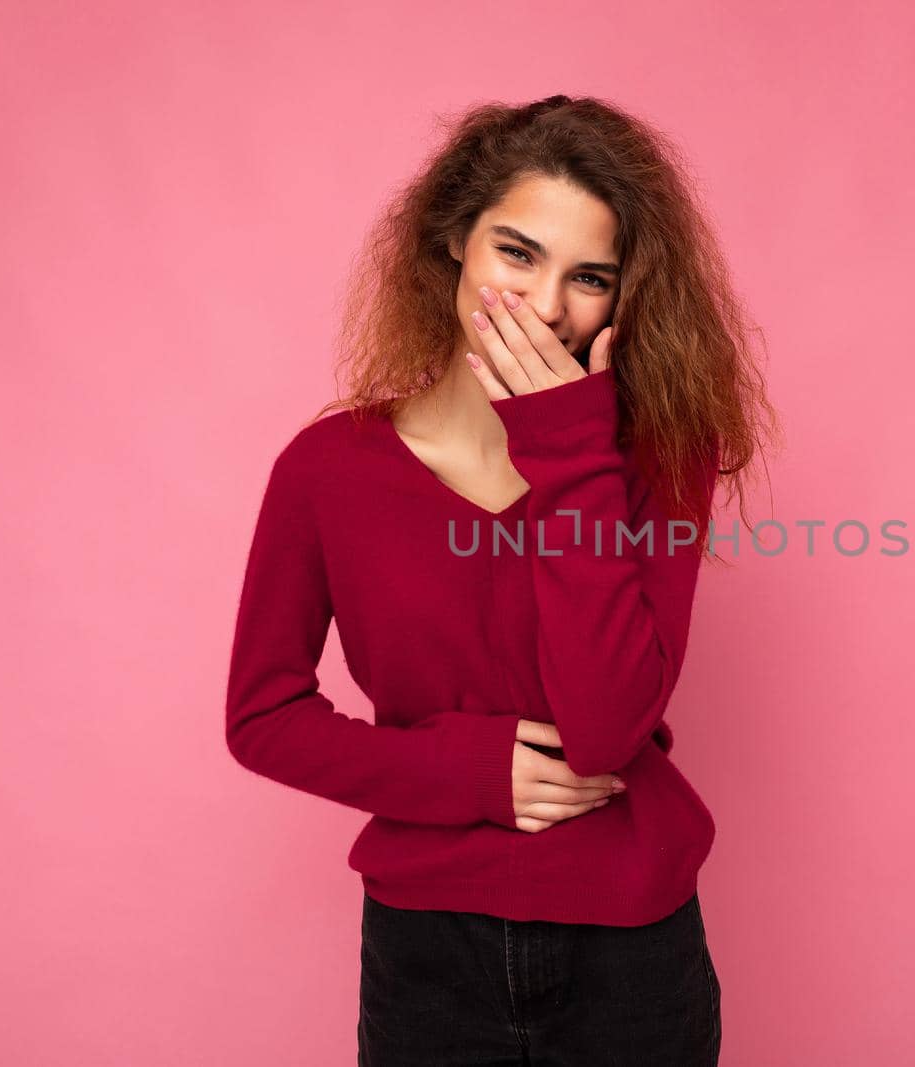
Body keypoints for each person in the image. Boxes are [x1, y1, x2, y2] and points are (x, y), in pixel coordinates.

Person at [225, 94, 780, 1065]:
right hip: (427, 954)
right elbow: (261, 714)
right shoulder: (326, 471)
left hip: (631, 951)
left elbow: (606, 726)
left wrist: (568, 450)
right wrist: (464, 771)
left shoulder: (657, 461)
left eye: (589, 277)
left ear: (624, 299)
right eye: (517, 253)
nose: (547, 304)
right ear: (453, 239)